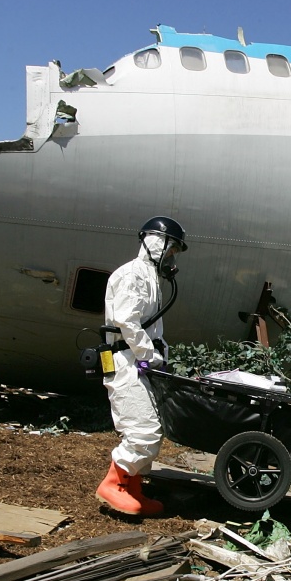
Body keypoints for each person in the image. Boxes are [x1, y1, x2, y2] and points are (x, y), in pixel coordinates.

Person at [96, 216, 187, 516]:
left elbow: (153, 330)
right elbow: (127, 322)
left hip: (140, 363)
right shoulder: (132, 275)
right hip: (125, 361)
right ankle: (112, 484)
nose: (172, 259)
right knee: (142, 430)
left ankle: (133, 489)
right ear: (155, 243)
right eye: (171, 250)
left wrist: (160, 357)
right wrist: (151, 355)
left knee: (152, 428)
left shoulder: (150, 278)